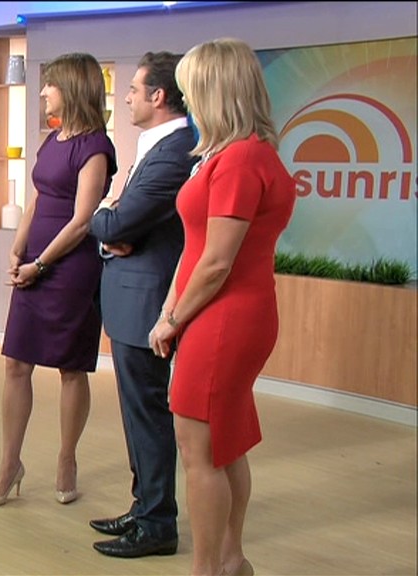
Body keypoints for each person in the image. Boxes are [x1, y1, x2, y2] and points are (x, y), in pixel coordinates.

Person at [149, 38, 296, 576]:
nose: (186, 100)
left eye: (191, 90)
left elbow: (215, 263)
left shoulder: (240, 160)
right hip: (218, 311)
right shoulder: (229, 155)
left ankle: (208, 568)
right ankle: (231, 561)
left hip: (225, 316)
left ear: (216, 91)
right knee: (225, 443)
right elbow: (195, 250)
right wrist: (169, 312)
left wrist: (173, 319)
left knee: (201, 450)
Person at [0, 52, 117, 507]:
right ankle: (9, 463)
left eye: (50, 84)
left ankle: (66, 459)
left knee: (70, 368)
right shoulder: (53, 139)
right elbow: (38, 199)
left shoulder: (95, 147)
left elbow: (82, 221)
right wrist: (18, 247)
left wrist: (40, 265)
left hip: (70, 269)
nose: (43, 92)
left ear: (72, 88)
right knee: (15, 364)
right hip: (33, 263)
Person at [87, 52, 198, 558]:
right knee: (137, 415)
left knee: (148, 414)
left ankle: (157, 524)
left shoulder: (175, 152)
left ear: (158, 95)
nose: (127, 97)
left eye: (133, 89)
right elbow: (116, 227)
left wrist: (105, 213)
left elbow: (114, 222)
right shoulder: (157, 146)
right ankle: (145, 507)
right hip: (131, 297)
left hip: (148, 301)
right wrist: (111, 224)